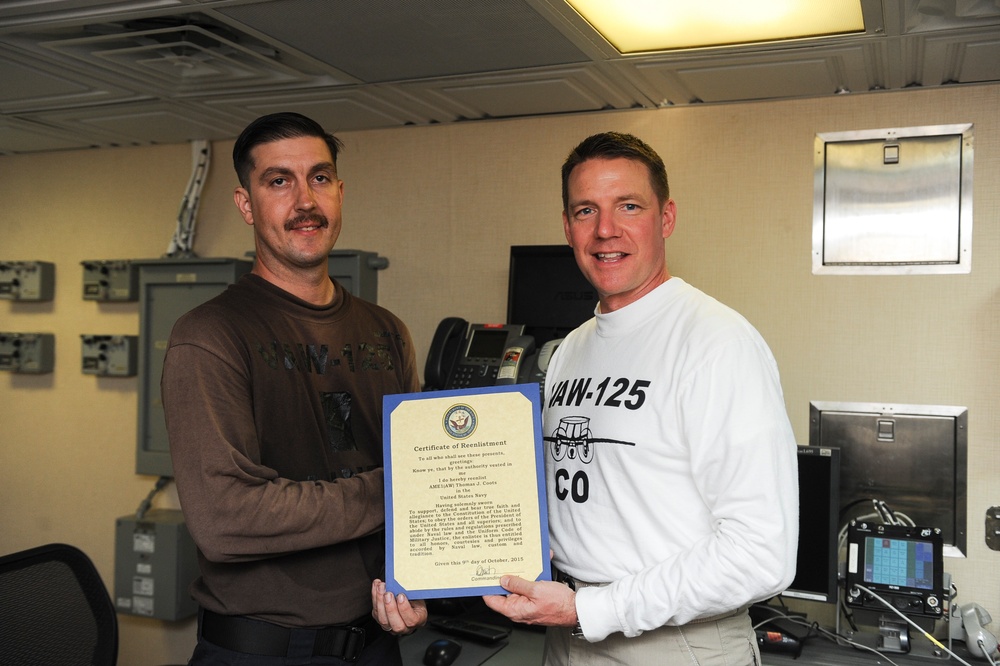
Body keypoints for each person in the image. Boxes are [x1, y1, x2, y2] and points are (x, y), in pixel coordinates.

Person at [374, 131, 798, 664]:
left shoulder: (716, 343)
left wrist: (590, 610)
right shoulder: (570, 351)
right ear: (567, 227)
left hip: (672, 642)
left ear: (665, 218)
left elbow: (762, 554)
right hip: (569, 632)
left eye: (628, 206)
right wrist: (429, 577)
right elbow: (559, 505)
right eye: (585, 211)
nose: (605, 231)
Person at [161, 112, 421, 665]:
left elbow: (426, 476)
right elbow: (226, 520)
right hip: (263, 650)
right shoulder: (209, 336)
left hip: (375, 642)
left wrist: (420, 582)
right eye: (279, 181)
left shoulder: (386, 331)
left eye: (319, 178)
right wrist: (400, 487)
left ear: (340, 192)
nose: (305, 200)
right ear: (246, 205)